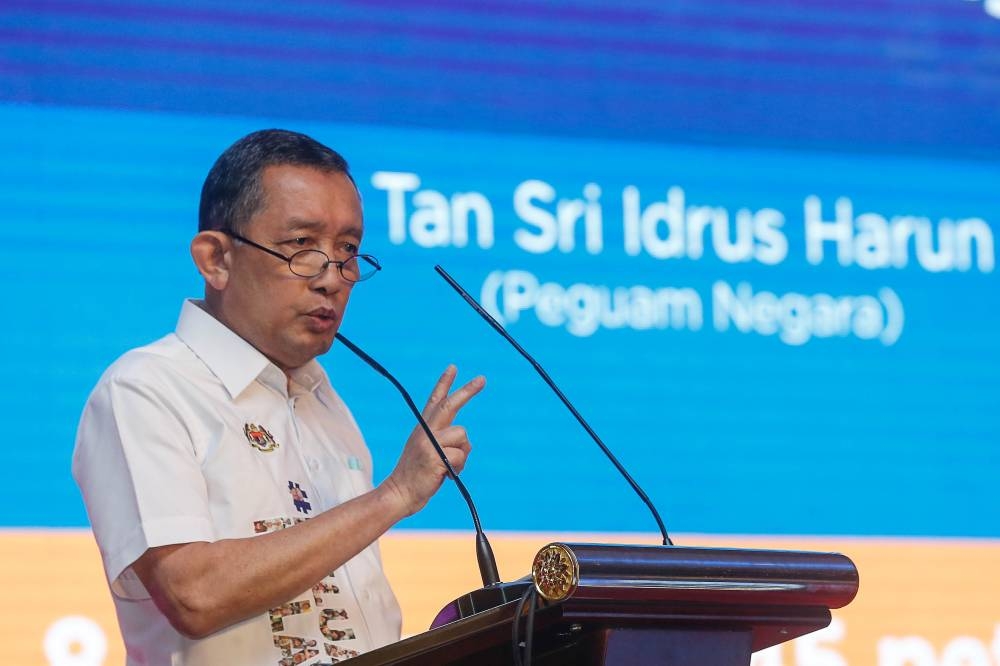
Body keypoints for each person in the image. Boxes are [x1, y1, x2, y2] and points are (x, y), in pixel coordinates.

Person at [72, 129, 484, 665]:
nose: (332, 278)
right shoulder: (147, 389)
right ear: (216, 259)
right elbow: (193, 594)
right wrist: (395, 495)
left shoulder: (327, 407)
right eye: (301, 246)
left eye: (348, 250)